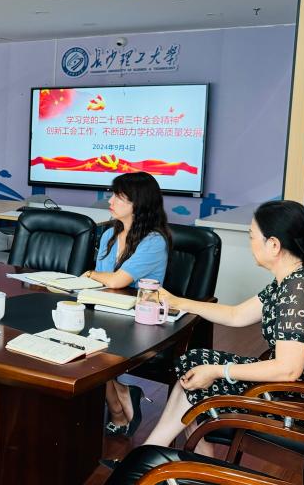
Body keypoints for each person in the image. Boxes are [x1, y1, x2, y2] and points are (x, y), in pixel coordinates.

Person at [139, 200, 304, 456]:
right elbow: (237, 315)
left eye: (252, 236)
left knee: (198, 376)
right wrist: (178, 301)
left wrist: (218, 371)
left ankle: (152, 456)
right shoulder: (300, 277)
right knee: (194, 366)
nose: (249, 243)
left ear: (273, 245)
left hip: (303, 404)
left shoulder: (298, 290)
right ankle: (169, 456)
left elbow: (288, 369)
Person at [82, 172, 172, 437]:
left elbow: (117, 280)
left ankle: (118, 406)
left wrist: (90, 274)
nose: (111, 201)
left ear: (139, 203)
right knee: (79, 337)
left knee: (91, 345)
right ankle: (120, 398)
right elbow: (104, 282)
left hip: (140, 318)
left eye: (119, 197)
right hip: (107, 309)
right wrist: (96, 277)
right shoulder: (111, 233)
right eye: (113, 195)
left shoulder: (154, 241)